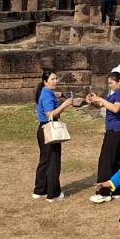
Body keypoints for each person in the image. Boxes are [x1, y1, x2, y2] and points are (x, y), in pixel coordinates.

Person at [86, 71, 120, 203]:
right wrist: (93, 101)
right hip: (117, 130)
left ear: (119, 82)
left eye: (111, 83)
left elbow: (115, 109)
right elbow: (103, 105)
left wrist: (100, 99)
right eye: (108, 83)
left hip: (116, 131)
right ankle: (116, 189)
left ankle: (104, 192)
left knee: (105, 161)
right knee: (115, 160)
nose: (109, 85)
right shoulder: (114, 93)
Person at [33, 68, 75, 201]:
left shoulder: (46, 93)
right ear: (45, 82)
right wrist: (65, 105)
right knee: (53, 162)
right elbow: (49, 114)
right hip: (49, 129)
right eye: (52, 79)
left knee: (45, 160)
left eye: (56, 78)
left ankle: (40, 190)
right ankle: (53, 194)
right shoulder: (46, 94)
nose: (55, 81)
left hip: (43, 129)